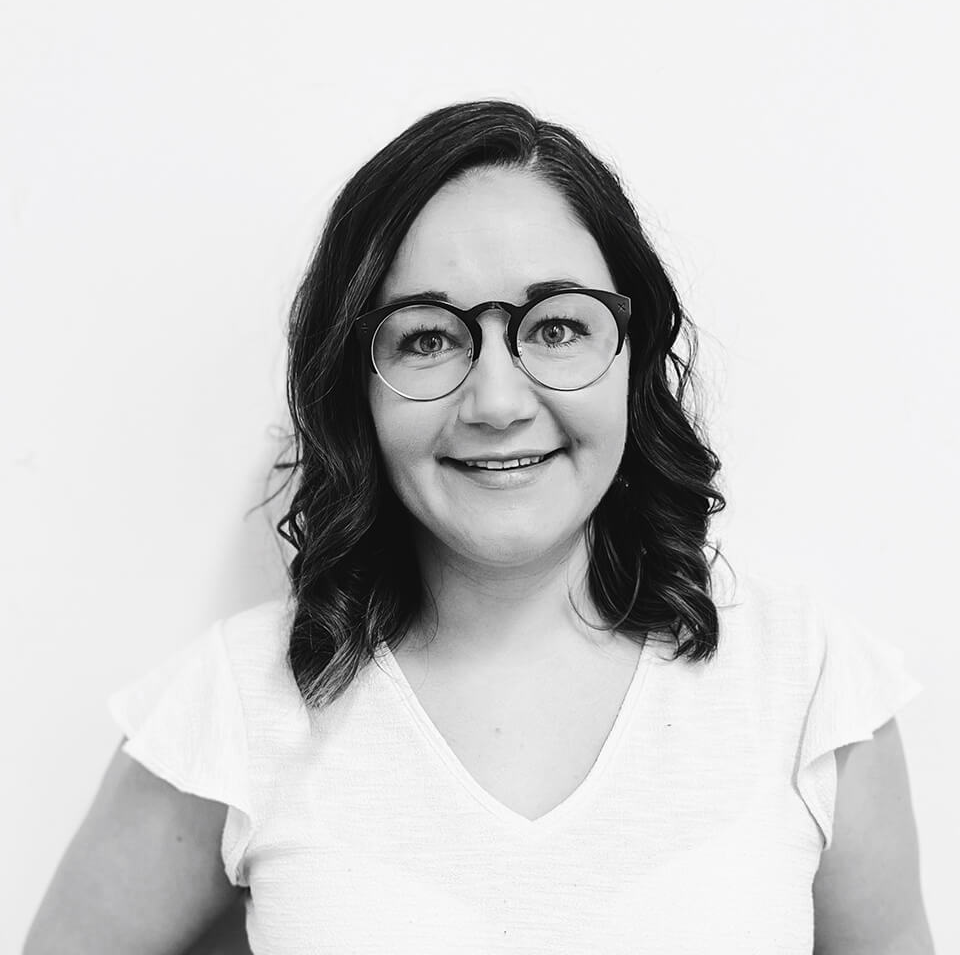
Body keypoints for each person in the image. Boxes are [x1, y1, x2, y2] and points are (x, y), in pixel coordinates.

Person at [24, 100, 934, 954]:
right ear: (358, 385)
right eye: (427, 337)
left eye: (558, 328)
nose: (498, 401)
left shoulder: (809, 689)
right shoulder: (233, 707)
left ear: (633, 358)